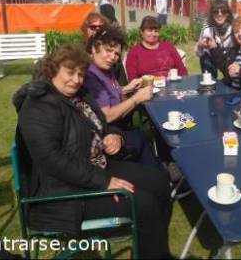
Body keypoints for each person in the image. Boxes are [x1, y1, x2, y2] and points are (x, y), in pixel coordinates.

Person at [13, 44, 172, 259]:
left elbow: (103, 124)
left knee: (160, 181)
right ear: (53, 71)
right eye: (70, 73)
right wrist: (103, 182)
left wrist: (115, 135)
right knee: (145, 204)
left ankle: (150, 246)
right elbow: (52, 160)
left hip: (96, 166)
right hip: (65, 194)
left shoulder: (79, 95)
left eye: (80, 74)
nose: (76, 80)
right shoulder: (38, 106)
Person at [84, 26, 160, 167]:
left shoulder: (106, 70)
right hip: (108, 135)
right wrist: (136, 98)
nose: (112, 57)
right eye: (108, 50)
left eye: (117, 54)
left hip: (118, 128)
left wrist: (125, 88)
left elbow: (109, 93)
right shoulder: (92, 77)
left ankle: (161, 167)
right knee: (141, 137)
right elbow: (106, 115)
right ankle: (161, 176)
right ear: (95, 48)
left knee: (145, 135)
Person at [208, 16, 241, 94]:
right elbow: (224, 65)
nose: (240, 33)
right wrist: (214, 48)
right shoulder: (235, 52)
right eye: (236, 31)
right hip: (231, 94)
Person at [126, 16, 188, 80]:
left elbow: (182, 71)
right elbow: (132, 79)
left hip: (171, 85)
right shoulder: (134, 52)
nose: (153, 34)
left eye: (156, 31)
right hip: (146, 87)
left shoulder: (168, 47)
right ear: (142, 32)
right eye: (149, 31)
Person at [80, 12, 128, 86]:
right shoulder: (78, 54)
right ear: (85, 29)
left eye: (101, 27)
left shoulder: (114, 54)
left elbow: (122, 82)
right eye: (93, 27)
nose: (97, 30)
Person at [195, 0, 234, 79]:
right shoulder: (207, 28)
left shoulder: (234, 28)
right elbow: (199, 53)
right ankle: (209, 82)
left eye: (223, 11)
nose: (219, 14)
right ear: (212, 14)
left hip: (228, 59)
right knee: (205, 57)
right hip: (212, 59)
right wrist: (200, 46)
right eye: (216, 12)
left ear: (228, 13)